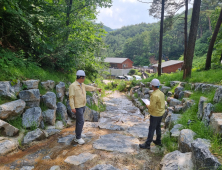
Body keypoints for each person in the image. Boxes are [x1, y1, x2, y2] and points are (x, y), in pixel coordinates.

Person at [69, 70, 101, 145]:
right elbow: (71, 97)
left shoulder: (82, 85)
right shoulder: (73, 86)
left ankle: (78, 133)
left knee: (79, 121)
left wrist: (97, 89)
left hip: (83, 105)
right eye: (84, 78)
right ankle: (78, 138)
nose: (84, 79)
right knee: (81, 121)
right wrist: (72, 107)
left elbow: (89, 88)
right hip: (77, 106)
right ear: (81, 77)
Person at [139, 78, 165, 149]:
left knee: (151, 129)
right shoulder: (161, 93)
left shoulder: (154, 95)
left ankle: (147, 144)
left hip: (155, 114)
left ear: (153, 86)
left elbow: (152, 107)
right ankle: (158, 141)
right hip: (160, 113)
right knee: (158, 127)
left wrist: (147, 106)